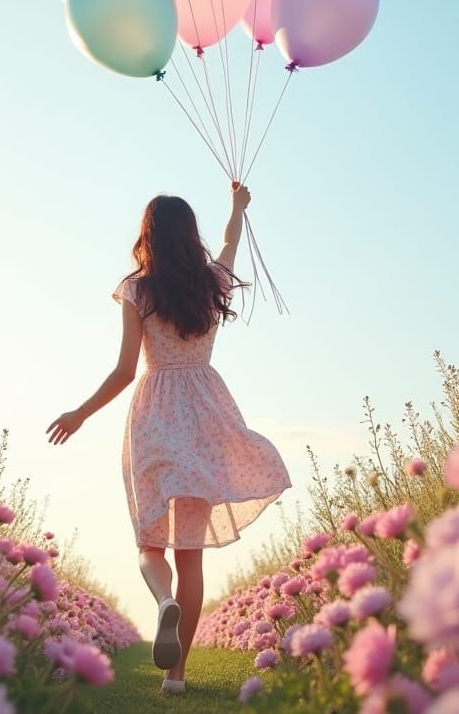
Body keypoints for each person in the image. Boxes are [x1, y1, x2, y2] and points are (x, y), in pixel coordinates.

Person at [46, 184, 291, 694]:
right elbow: (229, 245)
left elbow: (123, 371)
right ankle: (176, 677)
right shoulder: (212, 283)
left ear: (148, 236)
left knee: (149, 542)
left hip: (155, 414)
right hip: (205, 412)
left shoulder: (137, 289)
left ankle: (162, 603)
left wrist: (81, 412)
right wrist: (238, 209)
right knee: (191, 556)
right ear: (189, 236)